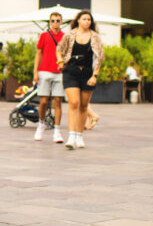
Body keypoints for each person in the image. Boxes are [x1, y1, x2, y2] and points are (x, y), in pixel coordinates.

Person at [56, 10, 105, 150]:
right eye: (84, 19)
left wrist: (95, 75)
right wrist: (60, 60)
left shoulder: (95, 37)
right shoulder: (70, 35)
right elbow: (59, 49)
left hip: (88, 73)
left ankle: (79, 135)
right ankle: (71, 136)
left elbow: (99, 58)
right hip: (71, 71)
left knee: (83, 105)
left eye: (89, 19)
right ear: (78, 20)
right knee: (74, 103)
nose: (87, 22)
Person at [33, 11, 66, 144]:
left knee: (57, 101)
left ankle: (57, 131)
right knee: (44, 102)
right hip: (45, 70)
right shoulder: (44, 36)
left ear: (61, 22)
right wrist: (35, 72)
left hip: (59, 72)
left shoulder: (65, 37)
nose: (55, 23)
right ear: (49, 22)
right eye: (53, 20)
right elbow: (38, 54)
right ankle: (41, 124)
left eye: (58, 20)